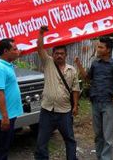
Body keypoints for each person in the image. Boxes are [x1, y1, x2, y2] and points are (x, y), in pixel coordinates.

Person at [35, 26, 80, 160]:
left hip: (64, 111)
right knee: (41, 142)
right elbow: (40, 48)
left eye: (62, 53)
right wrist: (41, 33)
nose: (59, 55)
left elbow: (75, 89)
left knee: (70, 140)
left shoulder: (72, 70)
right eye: (56, 53)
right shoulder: (48, 63)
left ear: (66, 55)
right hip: (47, 110)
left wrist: (76, 106)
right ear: (53, 55)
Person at [75, 36, 113, 160]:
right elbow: (87, 78)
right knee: (98, 135)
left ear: (108, 49)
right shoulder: (95, 63)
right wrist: (79, 65)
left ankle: (106, 158)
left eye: (101, 47)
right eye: (98, 46)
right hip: (95, 102)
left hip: (107, 103)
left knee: (108, 136)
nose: (98, 49)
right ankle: (99, 157)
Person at [0, 38, 23, 160]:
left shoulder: (7, 65)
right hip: (3, 117)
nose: (17, 51)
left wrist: (17, 54)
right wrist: (4, 117)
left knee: (4, 146)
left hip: (9, 114)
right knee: (0, 149)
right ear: (5, 51)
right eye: (14, 49)